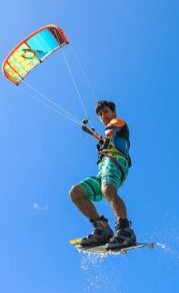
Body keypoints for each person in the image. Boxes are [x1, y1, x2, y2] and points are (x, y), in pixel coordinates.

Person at [69, 100, 136, 249]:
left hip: (116, 163)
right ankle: (102, 229)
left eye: (105, 111)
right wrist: (98, 137)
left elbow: (112, 129)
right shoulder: (104, 138)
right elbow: (104, 138)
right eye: (100, 114)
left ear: (113, 112)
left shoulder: (119, 123)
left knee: (107, 189)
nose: (103, 115)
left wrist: (108, 133)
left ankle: (125, 229)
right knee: (76, 192)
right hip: (103, 170)